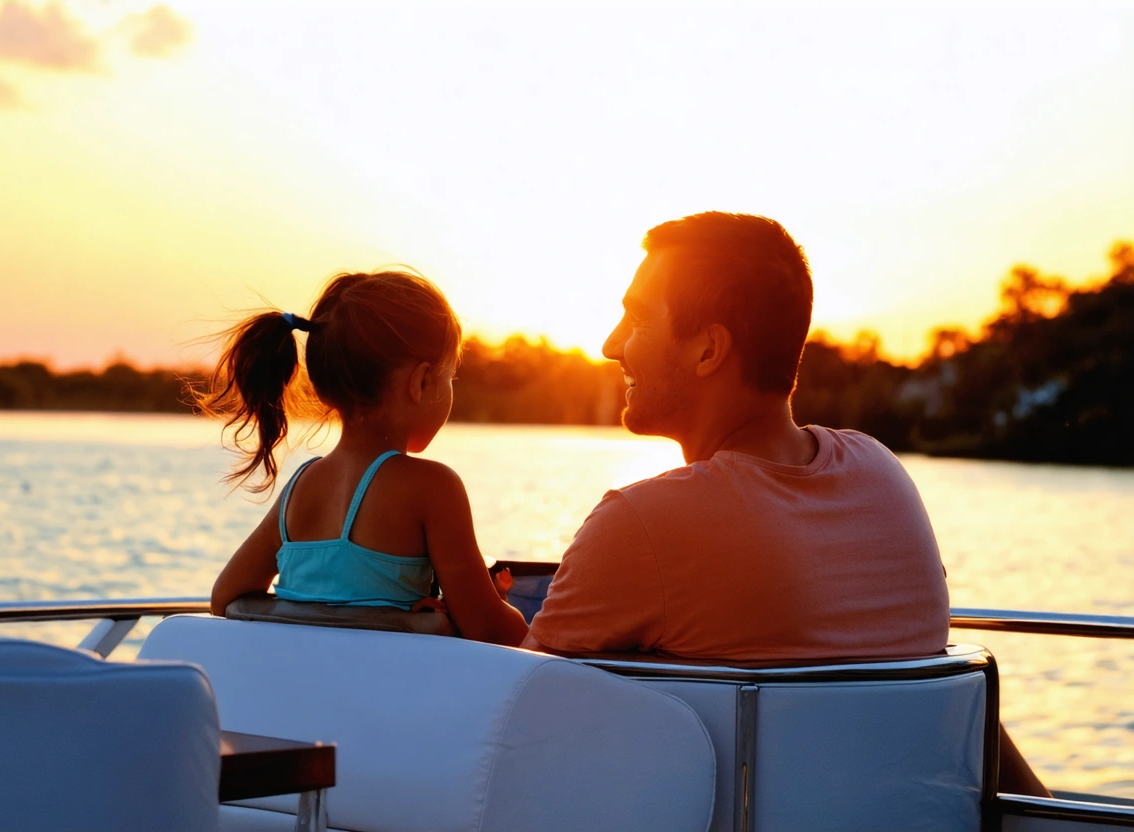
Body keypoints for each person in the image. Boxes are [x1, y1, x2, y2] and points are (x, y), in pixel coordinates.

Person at [521, 211, 1050, 795]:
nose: (610, 344)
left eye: (638, 317)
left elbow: (519, 711)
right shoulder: (883, 476)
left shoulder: (642, 524)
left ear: (708, 350)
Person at [205, 270, 527, 647]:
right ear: (421, 383)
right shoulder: (434, 487)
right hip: (396, 700)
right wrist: (506, 610)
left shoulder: (301, 487)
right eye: (450, 378)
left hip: (309, 693)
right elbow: (489, 630)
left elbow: (225, 597)